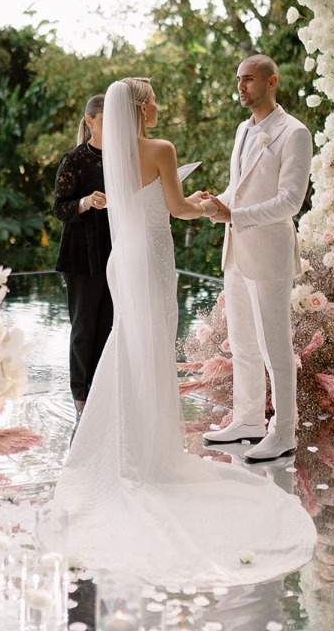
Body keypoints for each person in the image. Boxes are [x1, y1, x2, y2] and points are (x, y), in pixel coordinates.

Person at [49, 77, 316, 590]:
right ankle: (149, 455)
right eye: (154, 100)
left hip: (119, 260)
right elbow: (175, 208)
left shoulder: (111, 154)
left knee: (128, 346)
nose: (158, 107)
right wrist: (208, 204)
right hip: (150, 258)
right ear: (143, 108)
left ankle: (124, 447)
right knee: (150, 350)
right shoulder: (160, 148)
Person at [201, 54, 313, 462]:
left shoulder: (294, 133)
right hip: (236, 251)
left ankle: (284, 431)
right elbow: (239, 189)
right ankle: (248, 420)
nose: (241, 87)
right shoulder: (242, 131)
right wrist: (216, 205)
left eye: (249, 79)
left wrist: (235, 214)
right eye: (237, 80)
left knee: (274, 346)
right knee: (243, 344)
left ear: (272, 82)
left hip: (269, 254)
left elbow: (290, 202)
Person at [52, 94, 112, 422]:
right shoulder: (73, 159)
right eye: (104, 119)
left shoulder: (122, 158)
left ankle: (101, 393)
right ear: (89, 122)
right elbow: (60, 206)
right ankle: (80, 400)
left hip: (113, 251)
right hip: (80, 254)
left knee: (107, 326)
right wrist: (86, 202)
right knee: (83, 328)